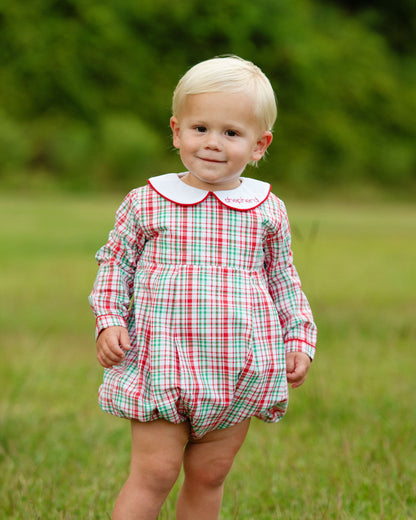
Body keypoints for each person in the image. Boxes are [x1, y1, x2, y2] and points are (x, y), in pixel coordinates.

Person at [89, 55, 317, 520]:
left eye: (231, 133)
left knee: (210, 475)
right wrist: (108, 320)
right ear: (176, 131)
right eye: (200, 129)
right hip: (162, 366)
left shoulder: (266, 210)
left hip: (238, 372)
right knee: (155, 472)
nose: (213, 143)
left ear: (259, 144)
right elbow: (116, 264)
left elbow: (284, 280)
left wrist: (299, 338)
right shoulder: (148, 202)